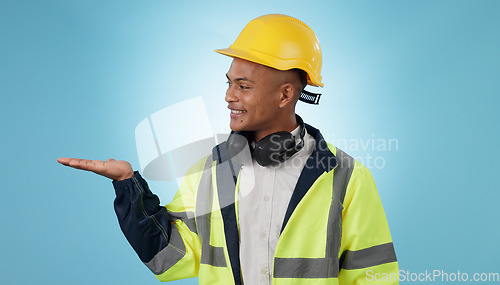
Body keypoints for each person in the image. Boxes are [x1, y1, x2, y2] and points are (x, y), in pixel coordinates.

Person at [58, 14, 398, 284]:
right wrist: (129, 186)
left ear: (286, 94)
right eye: (229, 82)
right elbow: (171, 260)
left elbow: (374, 276)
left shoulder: (346, 178)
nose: (228, 96)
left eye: (244, 85)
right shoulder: (208, 173)